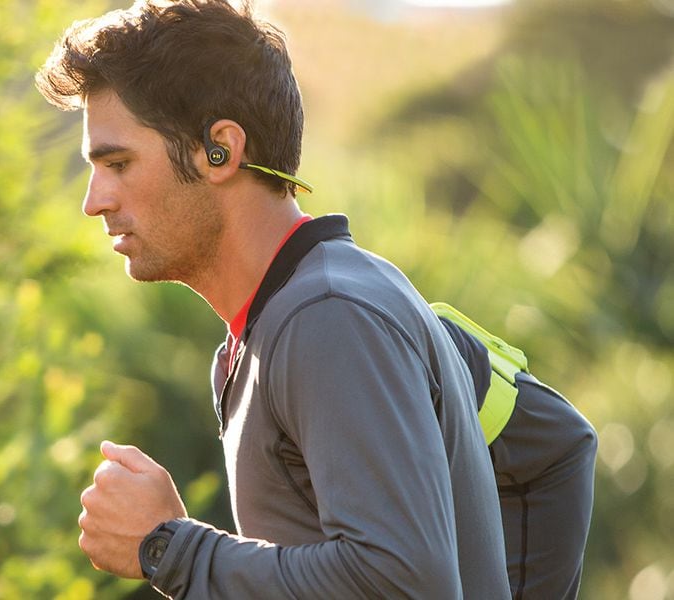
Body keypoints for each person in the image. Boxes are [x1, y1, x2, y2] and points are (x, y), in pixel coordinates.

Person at [35, 1, 594, 598]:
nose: (94, 201)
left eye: (118, 163)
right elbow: (555, 446)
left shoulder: (330, 318)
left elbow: (400, 582)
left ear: (219, 149)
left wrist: (169, 548)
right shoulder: (317, 311)